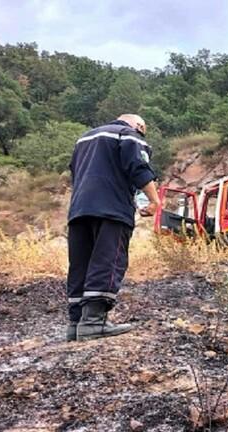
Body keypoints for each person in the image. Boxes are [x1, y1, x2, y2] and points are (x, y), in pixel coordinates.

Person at [66, 114, 160, 342]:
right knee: (107, 260)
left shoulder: (84, 139)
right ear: (138, 125)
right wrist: (155, 201)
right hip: (112, 209)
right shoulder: (128, 135)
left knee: (81, 264)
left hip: (79, 210)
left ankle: (76, 324)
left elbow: (75, 173)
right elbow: (138, 167)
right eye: (143, 131)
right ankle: (93, 323)